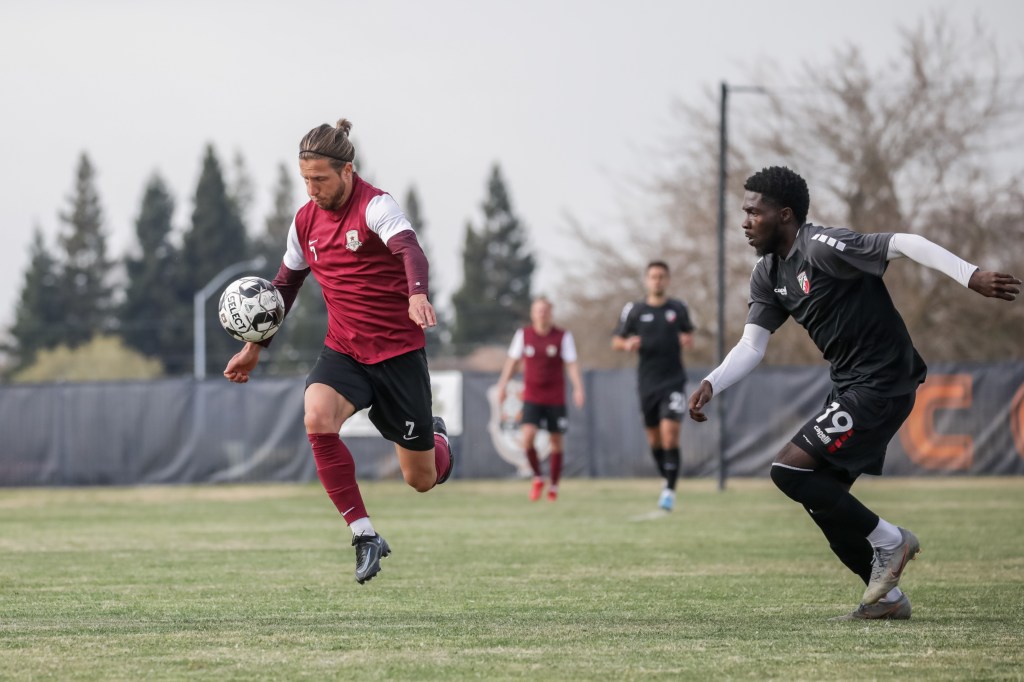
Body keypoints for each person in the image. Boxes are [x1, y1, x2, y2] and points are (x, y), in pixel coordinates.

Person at [688, 165, 1020, 620]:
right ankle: (886, 600)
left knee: (787, 470)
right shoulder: (768, 273)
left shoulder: (821, 246)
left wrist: (971, 275)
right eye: (744, 212)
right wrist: (713, 382)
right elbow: (751, 346)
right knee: (820, 500)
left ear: (784, 215)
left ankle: (892, 540)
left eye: (754, 212)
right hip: (850, 384)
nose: (745, 222)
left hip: (884, 380)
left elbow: (905, 242)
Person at [223, 118, 454, 585]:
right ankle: (364, 534)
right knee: (317, 417)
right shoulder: (304, 221)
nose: (312, 190)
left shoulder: (376, 206)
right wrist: (254, 348)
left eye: (320, 179)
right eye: (305, 179)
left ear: (347, 170)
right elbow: (285, 285)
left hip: (397, 356)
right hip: (344, 351)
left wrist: (416, 294)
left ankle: (438, 440)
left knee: (421, 479)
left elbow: (411, 250)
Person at [612, 261, 695, 511]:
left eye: (661, 276)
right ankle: (666, 477)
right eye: (653, 276)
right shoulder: (634, 310)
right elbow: (616, 340)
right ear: (646, 280)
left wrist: (686, 338)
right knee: (655, 441)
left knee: (670, 434)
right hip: (647, 383)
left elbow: (688, 333)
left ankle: (669, 491)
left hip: (673, 381)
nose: (657, 280)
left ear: (667, 280)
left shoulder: (678, 308)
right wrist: (627, 344)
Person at [495, 296, 586, 501]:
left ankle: (554, 486)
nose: (542, 314)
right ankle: (538, 477)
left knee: (556, 440)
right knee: (527, 437)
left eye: (545, 310)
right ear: (532, 313)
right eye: (538, 310)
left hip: (555, 397)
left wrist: (578, 388)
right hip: (532, 396)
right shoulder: (524, 335)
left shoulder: (562, 336)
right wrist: (503, 385)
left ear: (551, 313)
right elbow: (512, 361)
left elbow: (571, 364)